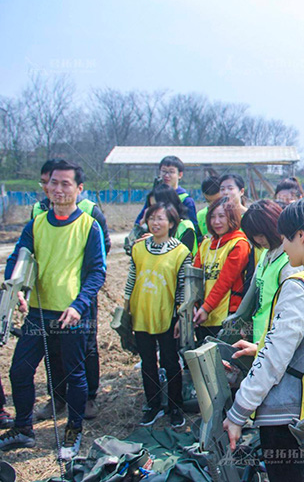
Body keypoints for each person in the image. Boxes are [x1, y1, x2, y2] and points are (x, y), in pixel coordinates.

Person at [223, 198, 304, 482]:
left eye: (285, 237)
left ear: (301, 236)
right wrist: (260, 347)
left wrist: (238, 413)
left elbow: (274, 361)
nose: (282, 246)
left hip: (286, 417)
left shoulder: (301, 285)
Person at [0, 161, 106, 460]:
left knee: (75, 375)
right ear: (46, 186)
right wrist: (17, 288)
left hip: (72, 315)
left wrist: (78, 305)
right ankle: (23, 429)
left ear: (79, 189)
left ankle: (73, 430)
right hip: (38, 313)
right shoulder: (36, 224)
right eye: (53, 183)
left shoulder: (89, 225)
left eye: (65, 184)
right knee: (19, 371)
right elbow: (18, 259)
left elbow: (97, 272)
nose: (57, 189)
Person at [31, 159, 111, 422]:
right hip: (48, 298)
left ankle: (88, 397)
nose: (51, 188)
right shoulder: (39, 212)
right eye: (47, 182)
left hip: (80, 298)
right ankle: (58, 397)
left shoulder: (90, 211)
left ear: (77, 187)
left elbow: (103, 249)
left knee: (86, 347)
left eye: (61, 183)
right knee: (51, 347)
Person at [125, 202, 191, 428]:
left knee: (171, 362)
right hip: (141, 313)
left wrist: (182, 317)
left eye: (161, 218)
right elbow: (131, 279)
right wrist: (126, 309)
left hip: (168, 316)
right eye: (152, 218)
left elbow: (184, 288)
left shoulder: (181, 252)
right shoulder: (139, 248)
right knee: (147, 363)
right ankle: (152, 405)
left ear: (171, 223)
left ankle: (175, 406)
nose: (155, 223)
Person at [237, 200, 301, 343]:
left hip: (276, 341)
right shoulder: (266, 255)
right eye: (253, 235)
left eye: (261, 234)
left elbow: (290, 311)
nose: (258, 240)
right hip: (261, 338)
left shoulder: (290, 262)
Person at [192, 197, 250, 342]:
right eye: (212, 217)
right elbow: (195, 277)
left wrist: (206, 308)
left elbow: (225, 282)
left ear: (232, 217)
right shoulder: (205, 244)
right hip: (202, 314)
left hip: (227, 315)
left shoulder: (239, 244)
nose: (216, 222)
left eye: (221, 216)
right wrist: (193, 304)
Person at [134, 155, 199, 231]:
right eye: (164, 171)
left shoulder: (186, 200)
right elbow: (139, 222)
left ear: (180, 175)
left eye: (171, 172)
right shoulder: (154, 196)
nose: (167, 175)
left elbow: (193, 227)